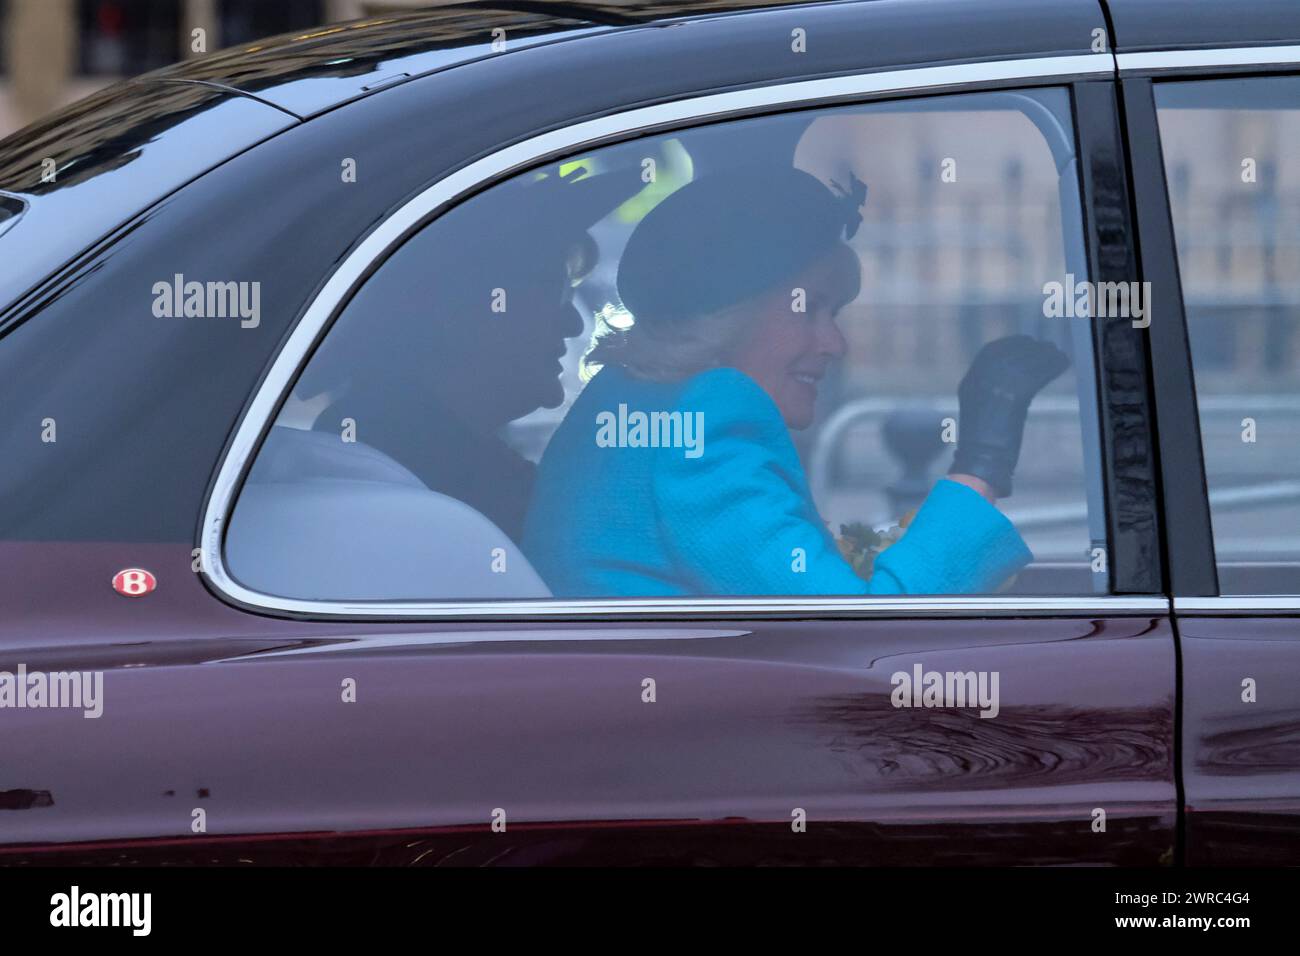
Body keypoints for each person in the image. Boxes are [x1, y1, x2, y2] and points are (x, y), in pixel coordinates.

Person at [521, 165, 1067, 597]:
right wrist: (981, 466)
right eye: (811, 310)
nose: (836, 343)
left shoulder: (630, 396)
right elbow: (868, 636)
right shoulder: (707, 416)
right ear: (729, 319)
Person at [285, 167, 635, 543]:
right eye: (553, 292)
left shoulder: (389, 444)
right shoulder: (439, 492)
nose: (573, 324)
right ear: (456, 309)